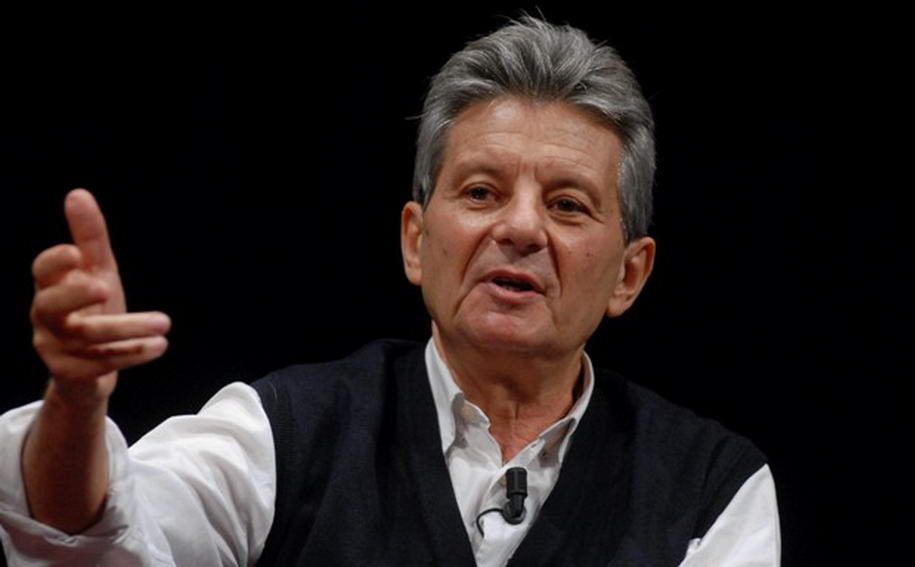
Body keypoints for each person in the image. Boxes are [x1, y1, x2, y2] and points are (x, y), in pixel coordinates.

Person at [0, 17, 780, 566]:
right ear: (415, 238)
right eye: (480, 192)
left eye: (567, 204)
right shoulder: (282, 432)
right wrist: (75, 401)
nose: (519, 227)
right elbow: (94, 540)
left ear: (629, 273)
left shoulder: (712, 488)